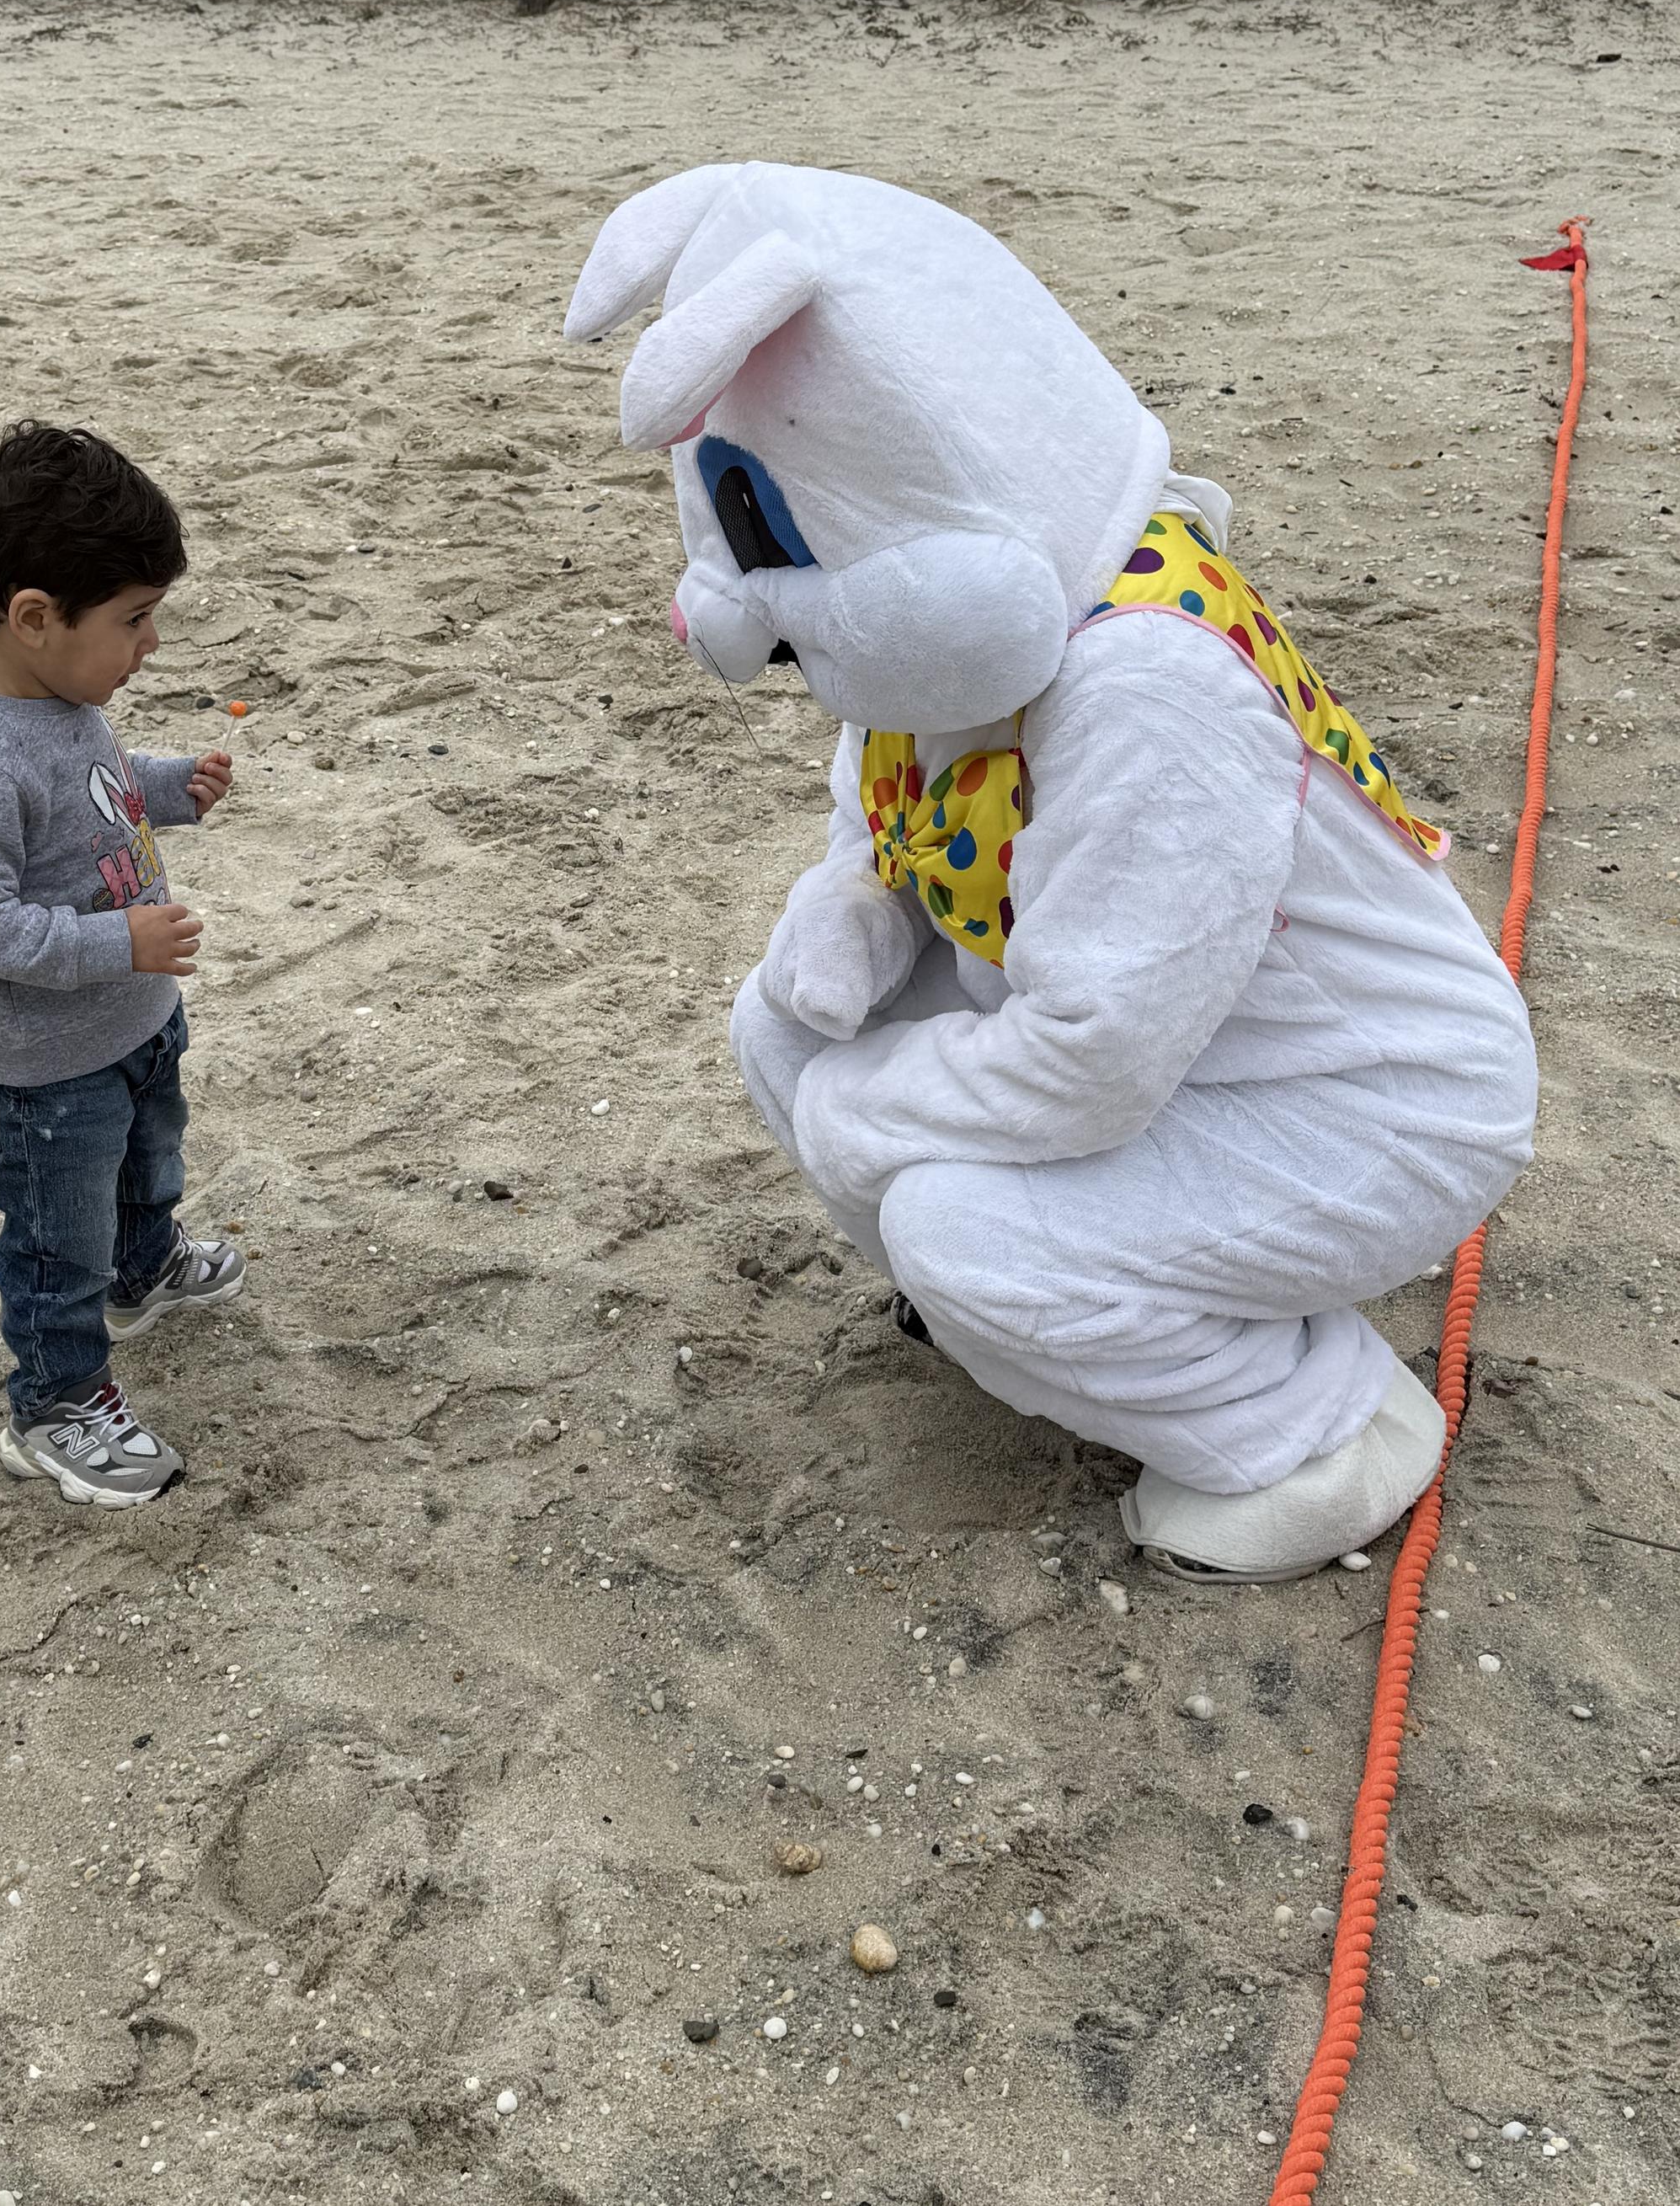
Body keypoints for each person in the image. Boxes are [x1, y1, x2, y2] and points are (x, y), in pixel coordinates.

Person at [568, 163, 1539, 1584]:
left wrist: (865, 1115)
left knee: (954, 1220)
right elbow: (891, 827)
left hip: (1357, 1103)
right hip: (1179, 1049)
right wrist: (854, 909)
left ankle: (1315, 1428)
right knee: (784, 1028)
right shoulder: (942, 643)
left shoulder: (1148, 693)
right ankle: (1067, 1307)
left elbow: (1097, 1052)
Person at [0, 422, 244, 1506]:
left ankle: (144, 1269)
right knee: (60, 1236)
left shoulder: (62, 704)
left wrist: (166, 788)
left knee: (147, 1161)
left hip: (128, 1018)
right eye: (133, 619)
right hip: (44, 1061)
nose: (151, 642)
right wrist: (117, 942)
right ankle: (55, 1405)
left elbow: (88, 789)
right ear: (34, 617)